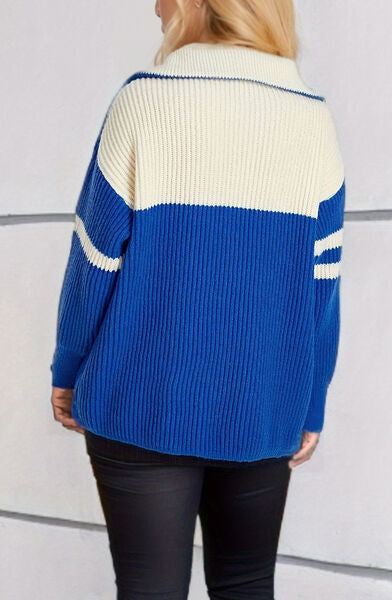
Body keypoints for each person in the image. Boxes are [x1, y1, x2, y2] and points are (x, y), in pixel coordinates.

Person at [49, 0, 346, 598]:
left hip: (140, 398)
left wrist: (68, 368)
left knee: (150, 589)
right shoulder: (312, 117)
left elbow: (94, 259)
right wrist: (310, 399)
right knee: (246, 584)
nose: (154, 7)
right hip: (264, 401)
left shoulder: (143, 100)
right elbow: (323, 282)